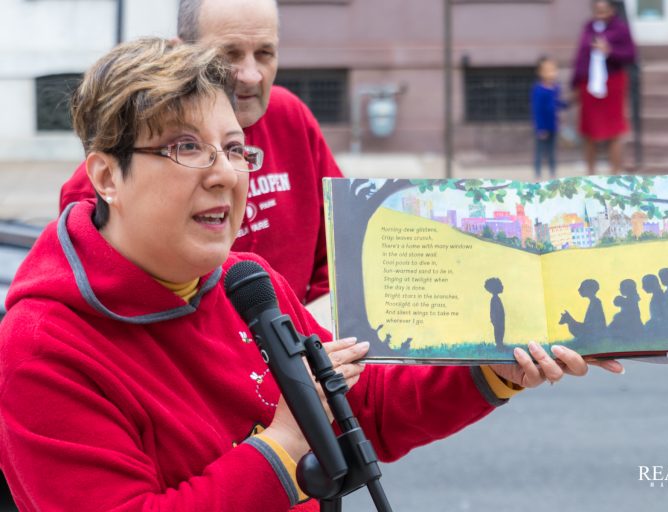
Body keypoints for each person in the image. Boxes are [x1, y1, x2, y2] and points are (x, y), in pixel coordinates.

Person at [0, 38, 622, 512]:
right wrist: (282, 445)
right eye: (185, 148)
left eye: (235, 147)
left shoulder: (249, 282)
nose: (225, 174)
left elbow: (361, 415)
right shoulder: (42, 345)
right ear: (107, 176)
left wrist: (491, 371)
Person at [58, 0, 339, 326]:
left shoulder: (290, 117)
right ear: (183, 53)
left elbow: (337, 249)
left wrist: (312, 333)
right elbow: (116, 313)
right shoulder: (108, 181)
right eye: (229, 55)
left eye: (265, 53)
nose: (250, 75)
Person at [570, 0, 636, 175]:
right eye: (597, 11)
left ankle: (614, 172)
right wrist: (575, 82)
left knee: (614, 129)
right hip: (588, 82)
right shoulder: (588, 27)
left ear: (612, 10)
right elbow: (580, 54)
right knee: (589, 130)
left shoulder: (620, 28)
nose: (600, 14)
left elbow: (631, 54)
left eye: (604, 10)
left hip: (612, 81)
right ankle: (590, 173)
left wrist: (609, 50)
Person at [530, 56, 567, 180]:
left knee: (552, 152)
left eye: (553, 70)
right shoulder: (538, 90)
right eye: (547, 70)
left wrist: (566, 104)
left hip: (553, 125)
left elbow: (556, 103)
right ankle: (537, 174)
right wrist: (540, 128)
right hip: (542, 128)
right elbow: (537, 110)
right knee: (539, 152)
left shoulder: (556, 88)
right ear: (540, 72)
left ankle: (552, 174)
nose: (551, 73)